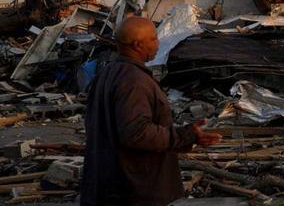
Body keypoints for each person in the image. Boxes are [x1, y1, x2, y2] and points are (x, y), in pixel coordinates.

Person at [81, 17, 221, 206]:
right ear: (137, 45)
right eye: (153, 39)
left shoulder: (109, 73)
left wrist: (187, 136)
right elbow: (136, 133)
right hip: (136, 190)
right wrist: (184, 136)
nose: (158, 43)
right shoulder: (134, 81)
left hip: (109, 184)